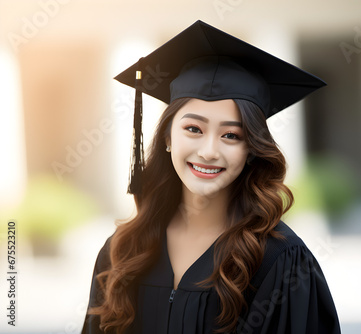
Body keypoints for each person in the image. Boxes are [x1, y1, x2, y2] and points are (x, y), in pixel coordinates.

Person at [81, 20, 341, 334]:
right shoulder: (123, 252)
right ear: (167, 137)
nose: (208, 151)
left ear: (251, 149)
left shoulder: (281, 262)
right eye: (193, 129)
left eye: (231, 135)